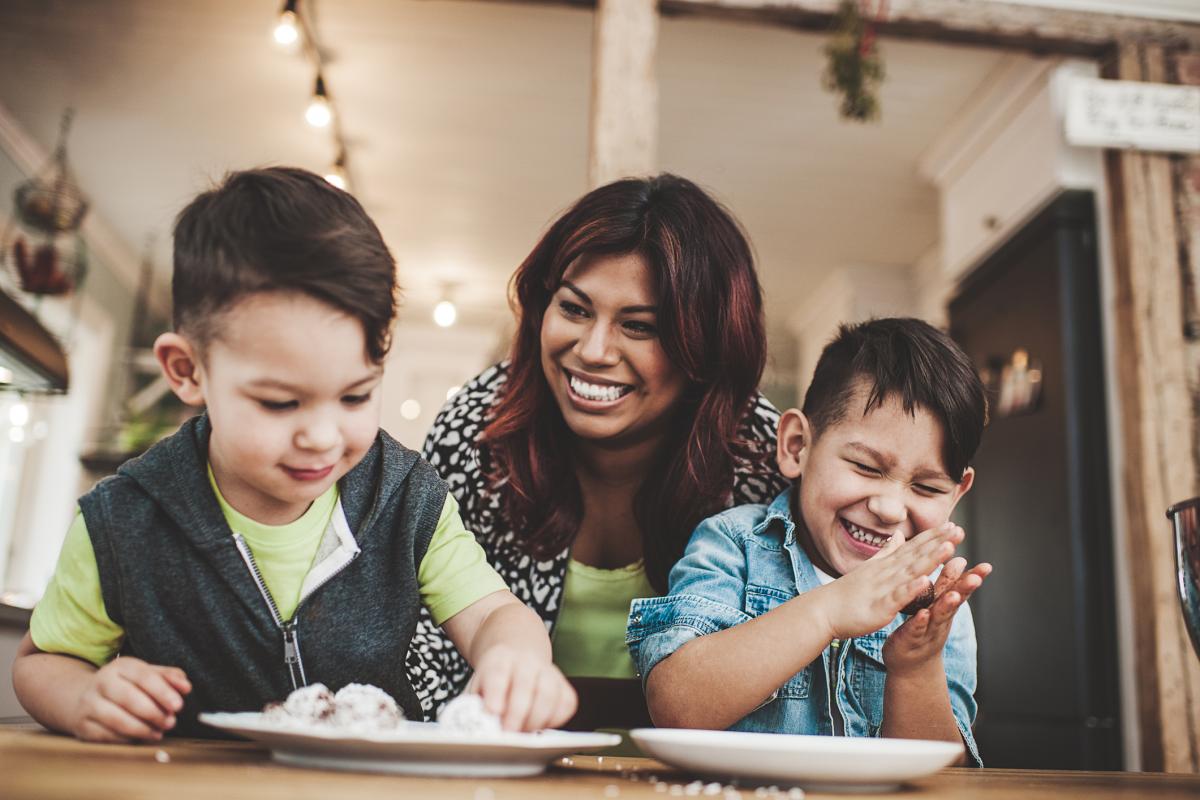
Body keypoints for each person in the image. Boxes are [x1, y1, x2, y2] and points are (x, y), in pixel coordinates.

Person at [12, 167, 576, 742]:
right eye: (281, 403)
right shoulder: (123, 521)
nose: (323, 437)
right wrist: (85, 695)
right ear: (188, 371)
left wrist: (517, 659)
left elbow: (492, 615)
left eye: (355, 395)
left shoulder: (407, 495)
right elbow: (42, 663)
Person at [408, 174, 789, 729]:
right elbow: (417, 645)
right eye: (576, 309)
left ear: (704, 349)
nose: (592, 350)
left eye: (638, 326)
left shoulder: (761, 460)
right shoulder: (478, 431)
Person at [627, 318, 991, 766]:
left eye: (928, 488)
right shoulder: (734, 543)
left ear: (958, 493)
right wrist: (829, 610)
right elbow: (676, 706)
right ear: (797, 445)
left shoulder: (938, 602)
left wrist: (916, 667)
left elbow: (944, 777)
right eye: (866, 467)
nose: (891, 508)